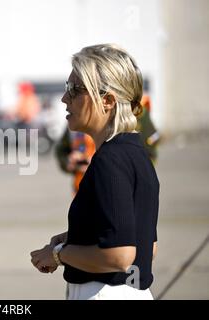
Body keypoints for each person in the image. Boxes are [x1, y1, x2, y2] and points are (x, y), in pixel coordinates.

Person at [30, 44, 159, 300]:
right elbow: (146, 246)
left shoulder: (110, 161)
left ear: (107, 101)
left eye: (74, 90)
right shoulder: (134, 152)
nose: (64, 98)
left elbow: (120, 255)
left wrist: (57, 254)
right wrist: (71, 238)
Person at [55, 94, 160, 194]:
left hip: (122, 191)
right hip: (83, 193)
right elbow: (62, 149)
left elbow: (148, 154)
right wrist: (69, 162)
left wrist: (103, 163)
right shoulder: (78, 114)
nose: (65, 98)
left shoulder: (132, 109)